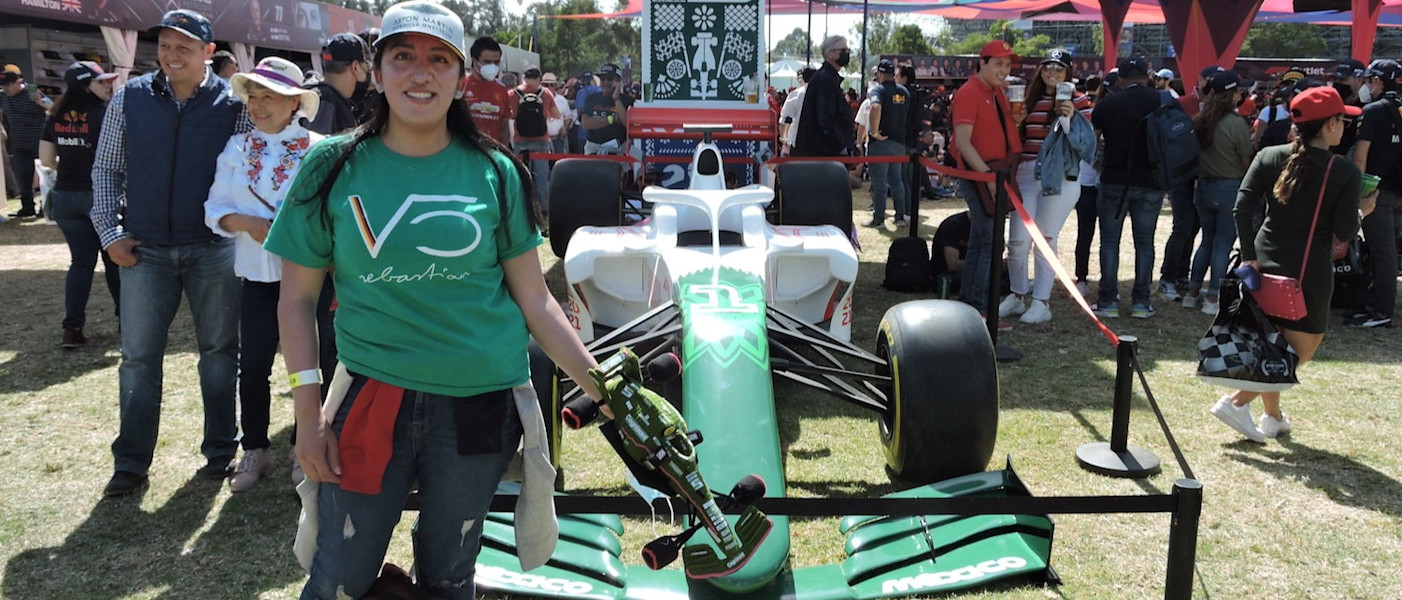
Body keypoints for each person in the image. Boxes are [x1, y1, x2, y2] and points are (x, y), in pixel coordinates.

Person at [263, 3, 602, 597]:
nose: (421, 73)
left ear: (460, 75)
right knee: (339, 578)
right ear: (376, 69)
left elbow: (534, 299)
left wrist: (603, 384)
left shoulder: (497, 171)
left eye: (438, 59)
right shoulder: (330, 165)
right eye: (403, 56)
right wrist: (307, 411)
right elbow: (297, 299)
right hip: (370, 399)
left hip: (479, 407)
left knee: (450, 577)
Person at [92, 9, 251, 497]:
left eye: (184, 45)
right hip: (145, 250)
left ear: (208, 53)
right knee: (138, 359)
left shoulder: (234, 104)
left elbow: (248, 170)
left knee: (221, 355)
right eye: (164, 44)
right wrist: (108, 232)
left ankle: (221, 451)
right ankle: (131, 463)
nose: (171, 54)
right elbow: (106, 168)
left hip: (214, 249)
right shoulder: (131, 99)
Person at [1219, 85, 1372, 442]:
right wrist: (1363, 210)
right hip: (1309, 270)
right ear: (1330, 124)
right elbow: (1345, 231)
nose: (1344, 128)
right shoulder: (1344, 171)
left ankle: (1272, 418)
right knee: (1301, 348)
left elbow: (1242, 208)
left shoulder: (1270, 155)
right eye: (1341, 120)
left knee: (1273, 339)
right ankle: (1237, 403)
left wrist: (1250, 257)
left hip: (1263, 261)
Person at [204, 57, 322, 492]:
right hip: (255, 277)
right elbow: (213, 209)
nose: (257, 104)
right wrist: (249, 225)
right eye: (252, 96)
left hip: (310, 278)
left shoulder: (319, 149)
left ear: (294, 102)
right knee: (253, 365)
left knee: (310, 364)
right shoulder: (235, 149)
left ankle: (302, 444)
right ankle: (255, 448)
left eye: (267, 96)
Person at [998, 48, 1095, 325]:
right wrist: (1015, 123)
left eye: (1059, 68)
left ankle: (1041, 301)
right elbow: (1018, 139)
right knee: (1016, 242)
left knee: (1045, 240)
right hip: (1027, 173)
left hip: (1060, 177)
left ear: (1068, 73)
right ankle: (1017, 295)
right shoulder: (1030, 98)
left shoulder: (1080, 101)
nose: (1052, 71)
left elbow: (1085, 146)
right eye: (1047, 66)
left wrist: (1068, 117)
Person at [38, 61, 120, 349]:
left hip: (65, 196)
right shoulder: (103, 115)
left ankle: (72, 328)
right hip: (99, 195)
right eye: (102, 82)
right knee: (114, 260)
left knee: (81, 263)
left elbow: (47, 160)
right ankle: (127, 321)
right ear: (86, 85)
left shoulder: (55, 115)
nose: (108, 85)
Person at [950, 40, 1021, 328]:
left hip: (994, 173)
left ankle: (972, 303)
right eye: (999, 63)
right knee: (989, 242)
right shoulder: (969, 93)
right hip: (981, 176)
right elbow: (964, 143)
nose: (1004, 70)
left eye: (1008, 64)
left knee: (985, 242)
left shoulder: (997, 93)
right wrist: (989, 178)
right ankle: (977, 306)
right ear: (982, 62)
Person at [1090, 58, 1166, 319]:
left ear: (1120, 80)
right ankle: (1141, 302)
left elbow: (1093, 140)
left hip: (1114, 179)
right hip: (1152, 181)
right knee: (1145, 243)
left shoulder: (1108, 104)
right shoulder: (1163, 100)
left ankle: (1108, 300)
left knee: (1110, 242)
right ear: (1147, 76)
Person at [1182, 70, 1253, 316]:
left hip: (1204, 186)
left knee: (1206, 242)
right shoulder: (1236, 124)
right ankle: (1213, 296)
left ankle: (1192, 292)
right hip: (1230, 187)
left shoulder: (1200, 120)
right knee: (1223, 243)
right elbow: (1247, 160)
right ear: (1232, 95)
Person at [1345, 59, 1402, 329]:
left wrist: (1359, 194)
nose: (1366, 85)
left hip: (1377, 192)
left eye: (1368, 80)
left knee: (1383, 253)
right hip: (1398, 189)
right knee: (1387, 252)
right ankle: (1375, 304)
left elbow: (1360, 156)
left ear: (1377, 81)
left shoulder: (1373, 110)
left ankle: (1382, 311)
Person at [0, 66, 50, 218]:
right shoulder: (3, 96)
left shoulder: (32, 91)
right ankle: (27, 207)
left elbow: (53, 107)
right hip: (20, 144)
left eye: (8, 85)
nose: (5, 89)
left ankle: (46, 207)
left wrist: (41, 102)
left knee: (45, 177)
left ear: (19, 82)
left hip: (39, 142)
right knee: (23, 178)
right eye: (3, 86)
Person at [792, 35, 854, 157]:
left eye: (847, 51)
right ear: (829, 54)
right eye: (842, 51)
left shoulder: (828, 78)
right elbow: (825, 120)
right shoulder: (825, 80)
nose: (846, 53)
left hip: (823, 154)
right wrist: (841, 147)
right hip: (821, 157)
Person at [511, 67, 561, 216]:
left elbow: (510, 114)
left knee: (519, 176)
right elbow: (556, 114)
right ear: (539, 78)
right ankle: (543, 210)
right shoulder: (546, 93)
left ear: (524, 77)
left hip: (520, 140)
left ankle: (520, 208)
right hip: (541, 140)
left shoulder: (513, 94)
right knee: (541, 177)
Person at [865, 59, 910, 227]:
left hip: (881, 143)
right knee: (897, 181)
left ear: (880, 74)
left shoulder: (879, 90)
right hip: (899, 142)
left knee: (879, 183)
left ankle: (879, 219)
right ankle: (900, 217)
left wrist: (874, 132)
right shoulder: (904, 92)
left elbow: (875, 107)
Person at [305, 32, 371, 135]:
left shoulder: (318, 94)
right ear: (355, 67)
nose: (368, 71)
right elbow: (316, 148)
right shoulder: (325, 102)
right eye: (367, 65)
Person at [463, 36, 513, 143]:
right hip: (465, 152)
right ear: (474, 61)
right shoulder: (460, 87)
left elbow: (504, 127)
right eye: (487, 61)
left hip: (492, 154)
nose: (493, 66)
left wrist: (504, 155)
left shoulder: (501, 90)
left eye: (496, 62)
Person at [580, 63, 631, 155]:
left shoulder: (627, 100)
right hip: (593, 150)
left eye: (610, 79)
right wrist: (612, 119)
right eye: (602, 79)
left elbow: (628, 125)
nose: (606, 82)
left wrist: (616, 98)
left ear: (618, 81)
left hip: (618, 151)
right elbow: (586, 124)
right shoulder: (591, 98)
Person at [930, 210, 971, 298]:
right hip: (948, 274)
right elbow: (952, 264)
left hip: (972, 269)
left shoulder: (991, 226)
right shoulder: (953, 225)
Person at [778, 67, 814, 154]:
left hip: (796, 143)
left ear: (803, 78)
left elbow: (785, 119)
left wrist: (783, 138)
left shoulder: (795, 94)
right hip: (819, 145)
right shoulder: (823, 94)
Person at [542, 72, 573, 155]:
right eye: (545, 85)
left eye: (551, 84)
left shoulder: (562, 100)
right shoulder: (537, 100)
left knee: (560, 162)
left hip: (558, 138)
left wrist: (565, 127)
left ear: (555, 86)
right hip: (542, 140)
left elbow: (568, 117)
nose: (548, 87)